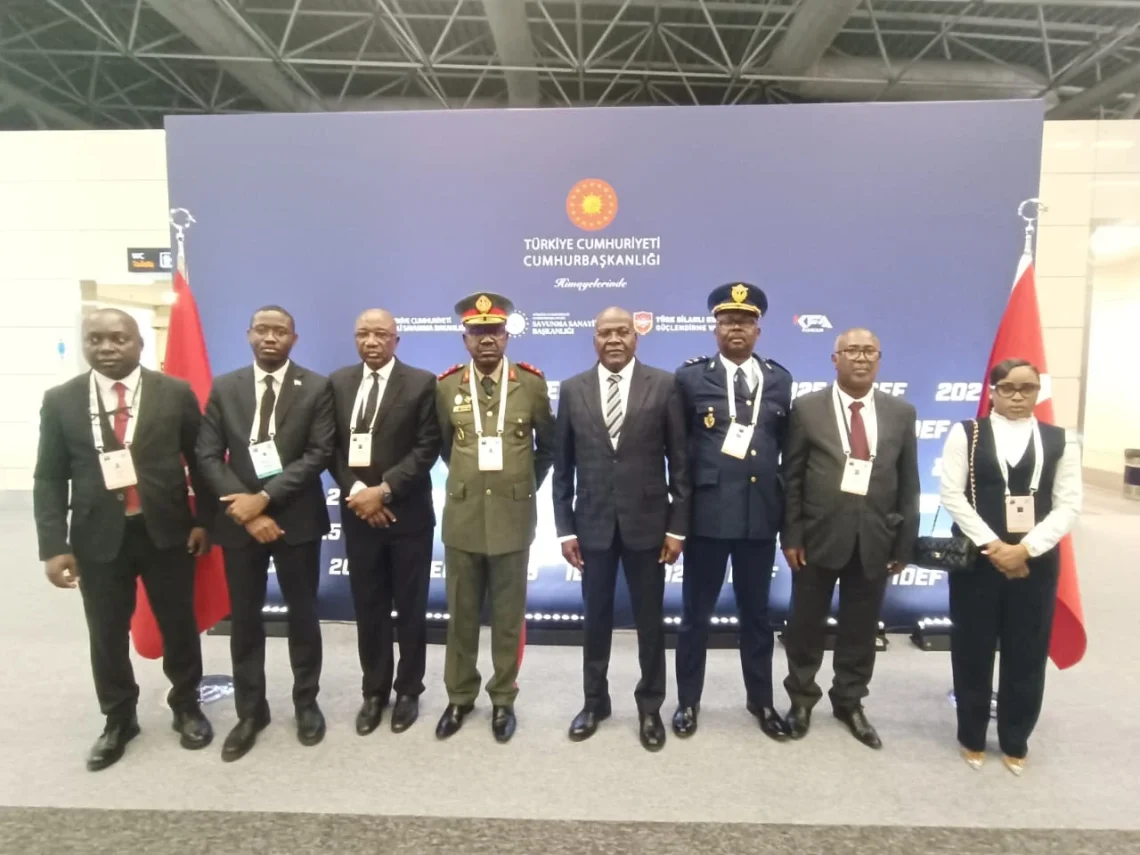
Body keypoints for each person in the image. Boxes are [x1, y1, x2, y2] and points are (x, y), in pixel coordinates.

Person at [33, 308, 215, 771]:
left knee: (178, 624)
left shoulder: (174, 393)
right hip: (96, 536)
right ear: (84, 344)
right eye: (95, 339)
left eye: (118, 338)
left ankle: (186, 705)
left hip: (167, 531)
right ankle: (119, 719)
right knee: (106, 631)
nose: (107, 347)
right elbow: (49, 477)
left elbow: (201, 460)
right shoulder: (61, 400)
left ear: (139, 344)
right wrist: (53, 545)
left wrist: (204, 520)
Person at [196, 305, 335, 762]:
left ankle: (306, 703)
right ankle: (250, 713)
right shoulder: (225, 386)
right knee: (245, 620)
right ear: (248, 335)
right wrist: (248, 510)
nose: (270, 337)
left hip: (297, 519)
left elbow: (318, 453)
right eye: (262, 330)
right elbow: (208, 455)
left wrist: (265, 499)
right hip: (240, 522)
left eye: (280, 331)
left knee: (303, 616)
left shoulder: (315, 387)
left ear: (294, 339)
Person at [552, 307, 690, 751]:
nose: (613, 339)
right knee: (595, 620)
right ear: (594, 338)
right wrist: (564, 530)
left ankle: (650, 706)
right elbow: (562, 468)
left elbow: (680, 463)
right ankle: (595, 703)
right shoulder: (572, 389)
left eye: (622, 331)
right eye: (605, 332)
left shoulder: (664, 385)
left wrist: (677, 528)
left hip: (649, 526)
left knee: (650, 622)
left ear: (636, 336)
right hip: (592, 525)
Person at [938, 358, 1081, 775]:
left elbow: (1068, 504)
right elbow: (952, 494)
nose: (1017, 396)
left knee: (1027, 650)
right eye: (1008, 388)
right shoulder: (966, 433)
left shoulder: (1060, 440)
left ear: (1038, 392)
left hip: (1035, 563)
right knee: (973, 647)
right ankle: (971, 735)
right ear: (993, 391)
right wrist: (995, 545)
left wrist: (1027, 549)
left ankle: (1016, 738)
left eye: (1027, 388)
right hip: (978, 559)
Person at [781, 328, 920, 749]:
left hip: (876, 537)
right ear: (834, 358)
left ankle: (849, 701)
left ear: (879, 359)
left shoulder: (901, 412)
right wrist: (791, 535)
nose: (861, 358)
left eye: (869, 351)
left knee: (860, 629)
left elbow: (909, 482)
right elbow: (792, 477)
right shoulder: (807, 408)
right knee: (805, 625)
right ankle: (801, 699)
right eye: (852, 350)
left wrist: (904, 542)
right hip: (816, 537)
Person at [672, 282, 793, 741]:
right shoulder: (690, 379)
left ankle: (761, 701)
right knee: (695, 617)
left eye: (745, 321)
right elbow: (678, 455)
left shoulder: (779, 379)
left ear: (758, 329)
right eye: (728, 321)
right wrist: (677, 522)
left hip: (759, 519)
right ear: (715, 328)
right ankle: (687, 701)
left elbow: (784, 450)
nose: (736, 328)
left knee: (757, 618)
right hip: (706, 518)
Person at [435, 292, 555, 743]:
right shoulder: (446, 387)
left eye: (495, 331)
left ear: (507, 336)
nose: (487, 339)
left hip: (513, 516)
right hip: (464, 515)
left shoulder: (532, 385)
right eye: (477, 331)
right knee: (461, 615)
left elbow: (549, 448)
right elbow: (444, 447)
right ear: (465, 338)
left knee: (508, 617)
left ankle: (503, 698)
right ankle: (460, 696)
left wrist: (521, 483)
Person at [328, 309, 441, 736]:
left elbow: (427, 446)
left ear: (396, 339)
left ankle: (409, 689)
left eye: (380, 334)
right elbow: (329, 447)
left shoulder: (421, 383)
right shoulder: (338, 382)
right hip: (359, 515)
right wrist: (361, 493)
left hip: (407, 514)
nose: (371, 341)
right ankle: (374, 691)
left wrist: (385, 490)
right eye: (363, 334)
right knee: (369, 607)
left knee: (411, 607)